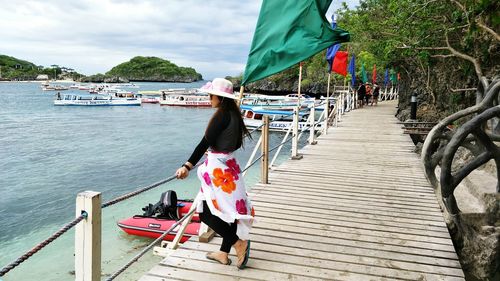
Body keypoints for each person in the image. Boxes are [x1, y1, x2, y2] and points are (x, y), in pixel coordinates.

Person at [175, 78, 254, 269]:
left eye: (211, 95)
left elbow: (204, 143)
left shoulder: (222, 115)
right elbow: (234, 145)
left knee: (205, 213)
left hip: (219, 172)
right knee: (231, 212)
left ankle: (238, 243)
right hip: (231, 168)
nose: (209, 99)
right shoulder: (235, 114)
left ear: (219, 97)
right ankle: (223, 253)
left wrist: (187, 165)